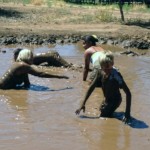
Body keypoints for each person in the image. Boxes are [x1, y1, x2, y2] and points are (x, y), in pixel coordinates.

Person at [75, 51, 131, 123]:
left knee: (103, 117)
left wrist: (127, 113)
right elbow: (91, 87)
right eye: (104, 68)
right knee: (102, 111)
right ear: (101, 66)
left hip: (115, 100)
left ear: (112, 64)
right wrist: (83, 103)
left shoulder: (116, 76)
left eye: (108, 68)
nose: (106, 71)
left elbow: (128, 93)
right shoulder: (100, 72)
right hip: (106, 99)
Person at [0, 49, 69, 89]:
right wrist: (59, 76)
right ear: (27, 57)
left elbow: (27, 83)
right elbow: (41, 74)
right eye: (31, 56)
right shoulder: (23, 65)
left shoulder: (21, 66)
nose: (33, 58)